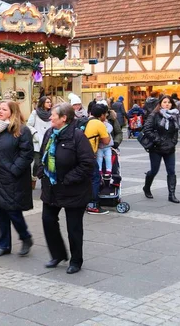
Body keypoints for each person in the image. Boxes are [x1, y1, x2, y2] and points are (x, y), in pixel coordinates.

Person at [38, 103, 95, 274]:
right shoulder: (50, 134)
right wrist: (41, 171)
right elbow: (43, 155)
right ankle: (58, 254)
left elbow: (88, 163)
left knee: (74, 228)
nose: (50, 117)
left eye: (53, 115)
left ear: (64, 118)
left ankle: (76, 260)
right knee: (48, 221)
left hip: (73, 190)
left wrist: (69, 178)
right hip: (52, 188)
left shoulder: (78, 137)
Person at [0, 101, 35, 257]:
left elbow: (26, 154)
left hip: (13, 179)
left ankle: (25, 237)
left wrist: (14, 170)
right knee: (1, 214)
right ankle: (4, 245)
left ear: (12, 112)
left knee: (13, 212)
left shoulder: (21, 130)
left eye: (4, 109)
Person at [141, 95, 180, 203]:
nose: (167, 104)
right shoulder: (154, 115)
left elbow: (176, 131)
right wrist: (158, 140)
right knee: (154, 170)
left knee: (171, 171)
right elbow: (147, 129)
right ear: (160, 104)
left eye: (169, 102)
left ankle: (171, 195)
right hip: (156, 148)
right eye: (164, 102)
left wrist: (173, 142)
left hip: (170, 148)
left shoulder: (174, 115)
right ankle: (146, 187)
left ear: (172, 104)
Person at [84, 104, 111, 214]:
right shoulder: (99, 123)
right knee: (95, 178)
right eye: (106, 114)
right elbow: (106, 141)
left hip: (78, 153)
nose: (106, 116)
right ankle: (93, 205)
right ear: (102, 115)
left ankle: (84, 202)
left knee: (85, 179)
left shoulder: (85, 120)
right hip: (88, 154)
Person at [27, 96, 52, 189]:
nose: (49, 104)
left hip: (49, 141)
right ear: (42, 103)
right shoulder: (35, 113)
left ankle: (45, 183)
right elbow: (29, 125)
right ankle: (33, 179)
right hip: (38, 141)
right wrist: (35, 134)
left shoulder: (52, 113)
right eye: (47, 102)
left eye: (50, 102)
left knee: (48, 163)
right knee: (37, 163)